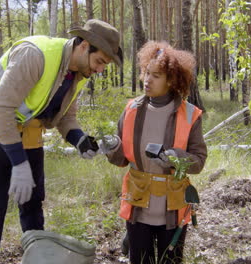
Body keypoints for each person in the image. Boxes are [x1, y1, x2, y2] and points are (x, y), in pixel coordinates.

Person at [0, 19, 123, 264]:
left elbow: (66, 117)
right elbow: (0, 107)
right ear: (84, 46)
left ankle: (37, 259)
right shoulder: (36, 55)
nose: (100, 70)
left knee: (33, 203)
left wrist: (80, 140)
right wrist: (19, 164)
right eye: (100, 62)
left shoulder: (79, 73)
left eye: (104, 65)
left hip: (30, 131)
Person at [100, 41, 207, 264]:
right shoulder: (131, 110)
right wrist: (111, 148)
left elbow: (198, 162)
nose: (147, 80)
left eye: (156, 75)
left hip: (174, 210)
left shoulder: (190, 114)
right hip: (138, 207)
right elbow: (122, 160)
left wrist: (176, 157)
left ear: (172, 79)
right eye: (146, 73)